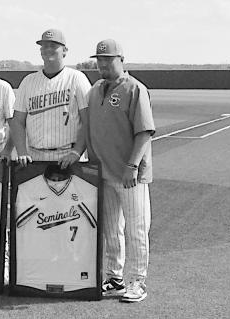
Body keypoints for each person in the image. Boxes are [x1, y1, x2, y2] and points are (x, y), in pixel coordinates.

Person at [85, 39, 155, 302]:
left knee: (136, 228)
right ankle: (115, 278)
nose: (103, 64)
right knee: (111, 229)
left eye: (108, 59)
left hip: (130, 176)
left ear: (121, 60)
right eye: (99, 60)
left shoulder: (135, 88)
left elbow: (145, 132)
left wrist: (132, 166)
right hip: (104, 173)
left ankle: (138, 281)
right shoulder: (95, 89)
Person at [10, 29, 91, 167]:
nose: (48, 49)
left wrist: (77, 152)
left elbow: (88, 119)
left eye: (53, 46)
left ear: (65, 50)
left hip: (68, 156)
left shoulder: (77, 78)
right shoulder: (28, 81)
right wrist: (22, 152)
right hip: (35, 157)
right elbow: (17, 121)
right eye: (44, 46)